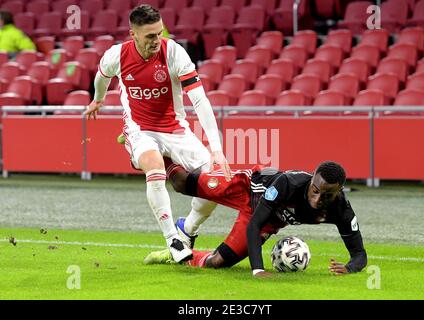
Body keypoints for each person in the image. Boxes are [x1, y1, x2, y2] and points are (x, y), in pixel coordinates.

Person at [83, 5, 231, 263]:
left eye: (159, 33)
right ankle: (172, 239)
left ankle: (188, 229)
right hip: (140, 129)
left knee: (216, 183)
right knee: (154, 166)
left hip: (176, 128)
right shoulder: (116, 55)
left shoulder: (173, 52)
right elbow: (101, 78)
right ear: (133, 34)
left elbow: (200, 101)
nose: (156, 40)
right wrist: (98, 100)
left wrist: (217, 151)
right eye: (150, 35)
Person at [144, 159, 368, 277]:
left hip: (270, 219)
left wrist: (349, 268)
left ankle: (178, 255)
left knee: (217, 263)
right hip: (247, 188)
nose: (317, 199)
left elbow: (359, 254)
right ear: (311, 182)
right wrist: (257, 269)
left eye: (326, 195)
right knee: (182, 184)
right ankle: (159, 155)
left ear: (339, 192)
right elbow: (254, 225)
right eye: (315, 190)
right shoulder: (288, 184)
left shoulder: (341, 210)